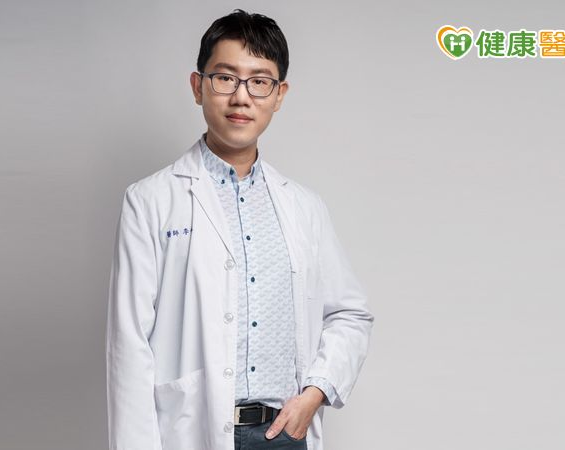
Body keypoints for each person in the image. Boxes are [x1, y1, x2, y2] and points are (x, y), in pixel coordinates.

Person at [107, 9, 374, 450]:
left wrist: (316, 392)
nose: (241, 97)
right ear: (198, 86)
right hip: (193, 432)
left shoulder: (304, 206)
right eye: (225, 78)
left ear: (279, 94)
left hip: (284, 435)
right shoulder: (150, 200)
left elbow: (350, 314)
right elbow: (129, 346)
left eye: (259, 81)